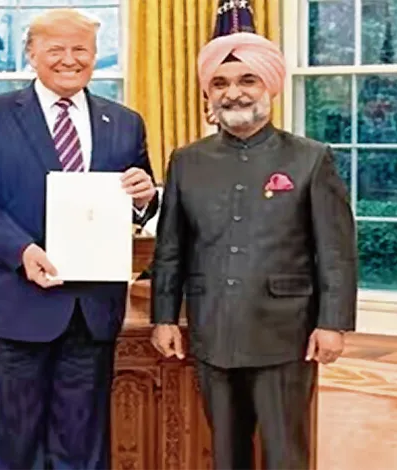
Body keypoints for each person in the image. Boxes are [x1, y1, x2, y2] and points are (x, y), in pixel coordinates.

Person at [0, 8, 158, 469]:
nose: (69, 59)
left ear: (96, 55)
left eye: (81, 49)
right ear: (31, 54)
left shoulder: (124, 122)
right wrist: (20, 249)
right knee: (12, 448)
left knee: (83, 448)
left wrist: (145, 196)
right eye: (55, 49)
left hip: (91, 312)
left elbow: (140, 198)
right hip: (12, 305)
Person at [149, 32, 357, 470]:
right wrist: (163, 317)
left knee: (285, 453)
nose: (234, 92)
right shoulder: (186, 160)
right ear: (208, 93)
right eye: (220, 83)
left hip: (285, 331)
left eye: (247, 80)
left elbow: (335, 250)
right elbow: (171, 247)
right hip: (211, 328)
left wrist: (332, 323)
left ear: (269, 86)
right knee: (226, 453)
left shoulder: (311, 158)